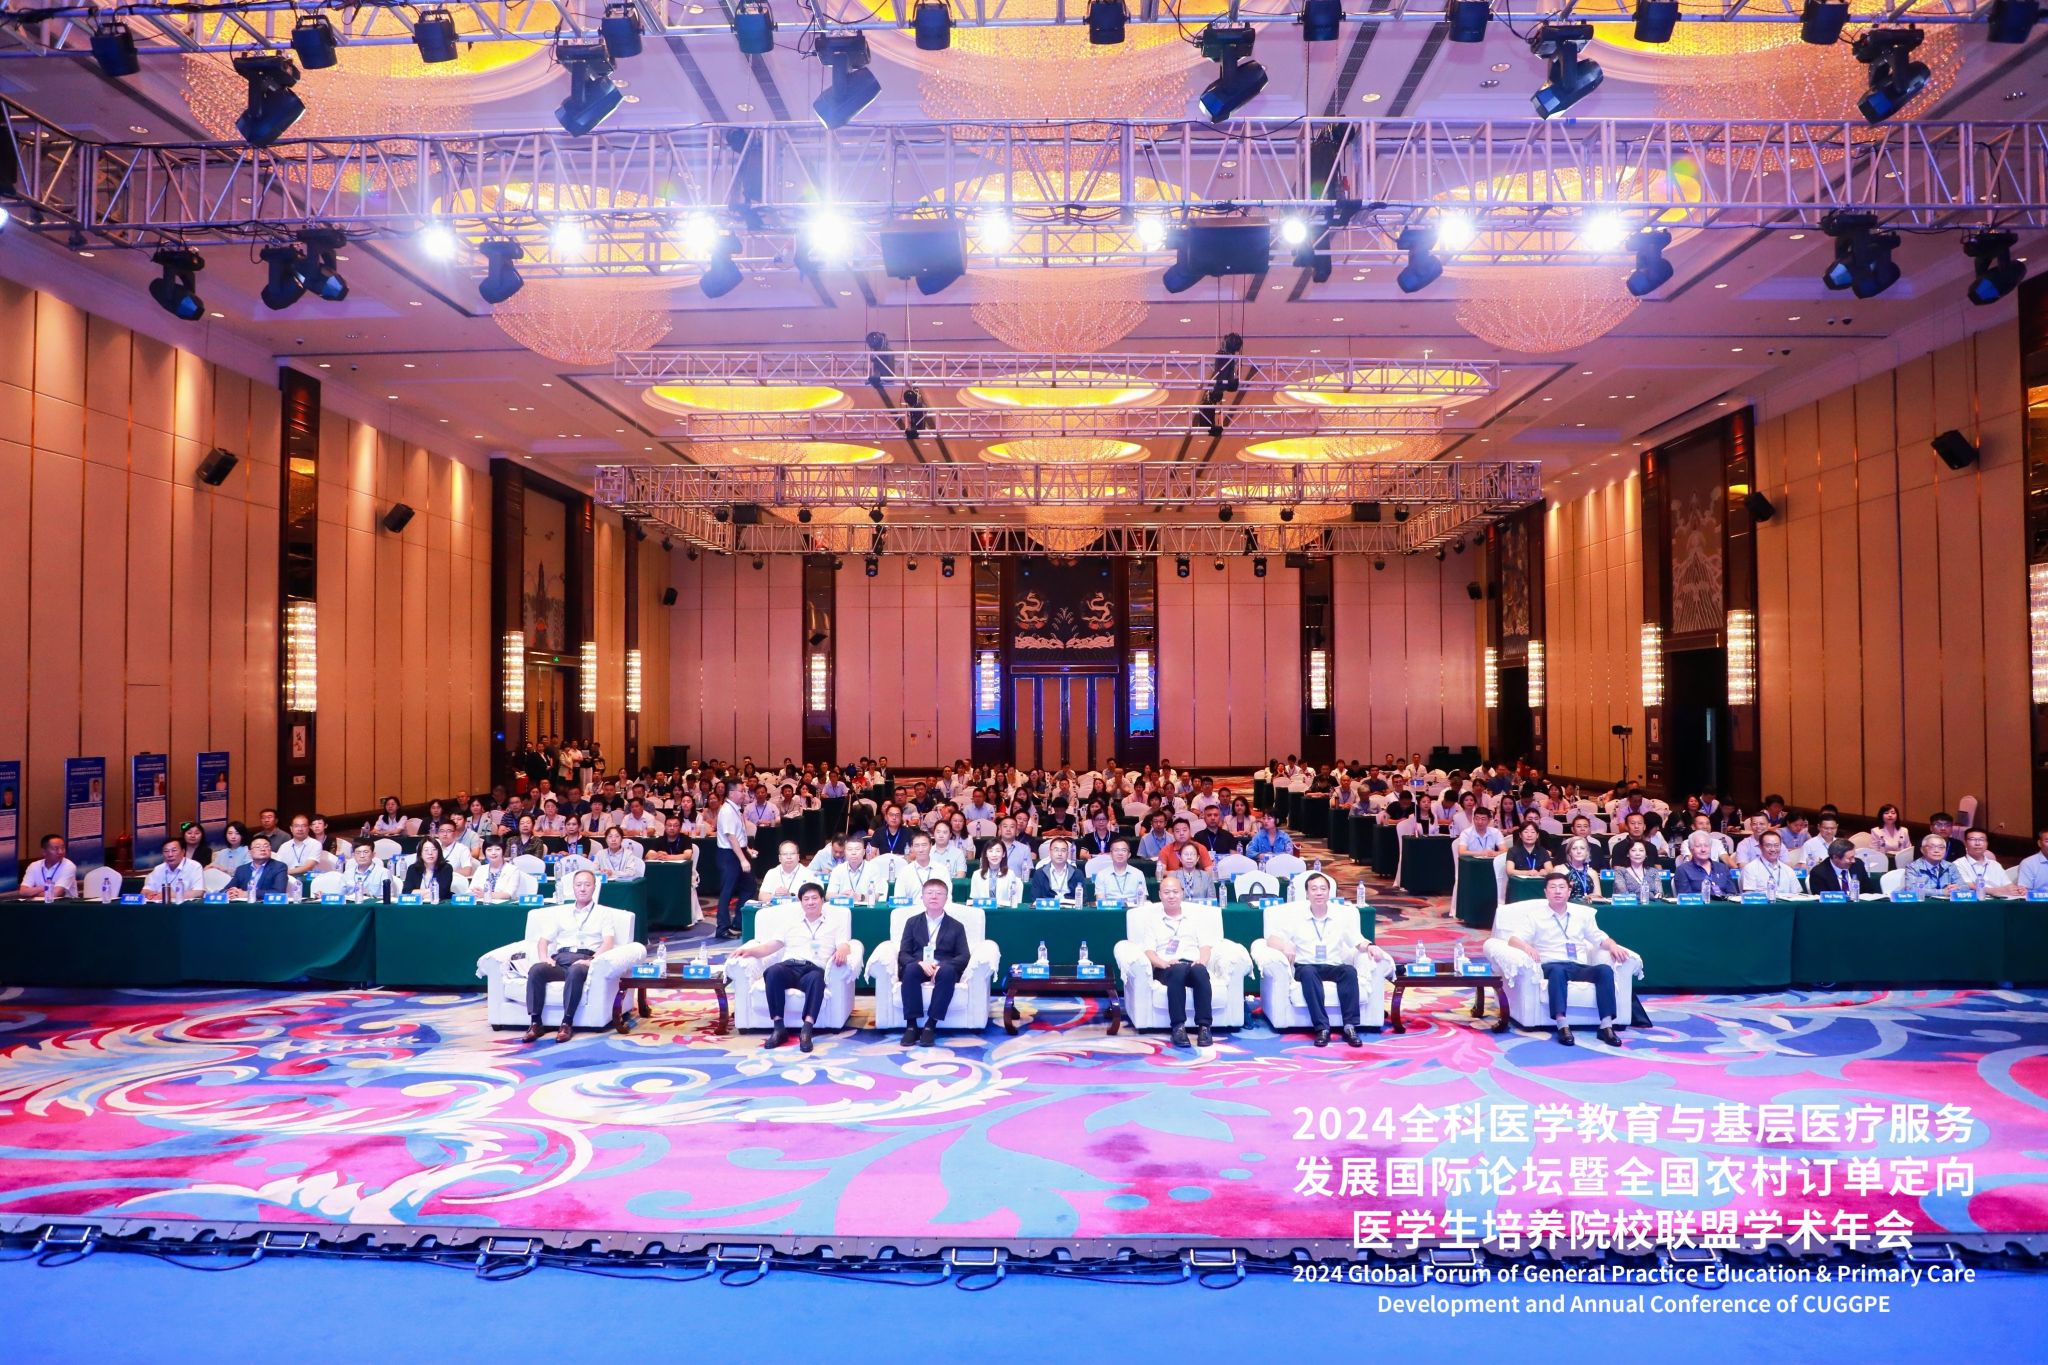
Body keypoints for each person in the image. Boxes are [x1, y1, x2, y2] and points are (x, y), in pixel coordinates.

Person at [1502, 871, 1632, 1047]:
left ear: (1569, 891)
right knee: (1558, 971)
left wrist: (1613, 945)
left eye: (1562, 887)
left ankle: (1606, 1026)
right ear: (1546, 892)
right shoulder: (1535, 916)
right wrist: (1527, 947)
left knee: (1604, 970)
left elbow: (1599, 938)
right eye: (1553, 887)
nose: (1557, 891)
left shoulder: (1582, 915)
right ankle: (1562, 1025)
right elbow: (1513, 939)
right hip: (1551, 965)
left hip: (1578, 965)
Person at [1271, 871, 1386, 1047]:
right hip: (1306, 966)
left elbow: (1358, 941)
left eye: (1323, 889)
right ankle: (1322, 1028)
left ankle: (1350, 1027)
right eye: (1314, 889)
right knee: (1308, 973)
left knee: (1349, 971)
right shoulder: (1295, 918)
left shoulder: (1341, 917)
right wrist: (1285, 946)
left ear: (1329, 892)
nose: (1319, 893)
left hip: (1333, 966)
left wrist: (1370, 946)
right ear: (1307, 894)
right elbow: (1271, 939)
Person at [732, 882, 849, 1052]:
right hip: (789, 966)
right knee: (773, 972)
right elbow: (771, 945)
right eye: (806, 899)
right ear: (801, 902)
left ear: (822, 900)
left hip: (813, 969)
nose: (810, 902)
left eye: (814, 898)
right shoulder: (791, 923)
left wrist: (843, 950)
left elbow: (844, 944)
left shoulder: (834, 924)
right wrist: (749, 951)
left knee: (817, 979)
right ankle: (779, 1028)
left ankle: (806, 1030)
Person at [520, 870, 614, 1044]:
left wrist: (591, 960)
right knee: (536, 970)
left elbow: (608, 942)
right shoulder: (561, 913)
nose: (583, 889)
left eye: (587, 885)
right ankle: (535, 1023)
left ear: (594, 887)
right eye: (579, 885)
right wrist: (544, 958)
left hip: (585, 959)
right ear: (573, 887)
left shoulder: (603, 913)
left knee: (576, 970)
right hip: (561, 959)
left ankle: (566, 1023)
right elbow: (543, 941)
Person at [1140, 873, 1214, 1049]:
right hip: (1166, 967)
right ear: (1160, 895)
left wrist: (1202, 961)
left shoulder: (1195, 919)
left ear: (1182, 893)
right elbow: (1148, 951)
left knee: (1200, 971)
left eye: (1175, 892)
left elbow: (1205, 946)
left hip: (1191, 963)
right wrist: (1162, 963)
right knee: (1178, 970)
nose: (1171, 896)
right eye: (1167, 892)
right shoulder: (1152, 921)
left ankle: (1204, 1027)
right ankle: (1178, 1027)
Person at [895, 877, 970, 1048]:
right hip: (919, 965)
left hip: (944, 968)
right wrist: (919, 963)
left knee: (948, 972)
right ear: (922, 897)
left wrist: (942, 966)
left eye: (939, 893)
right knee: (910, 969)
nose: (934, 897)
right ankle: (911, 1025)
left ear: (946, 898)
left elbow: (964, 956)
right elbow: (903, 953)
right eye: (929, 893)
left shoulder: (956, 926)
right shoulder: (912, 922)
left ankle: (930, 1025)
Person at [713, 780, 755, 940]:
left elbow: (739, 834)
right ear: (731, 793)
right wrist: (743, 859)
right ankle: (722, 928)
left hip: (738, 851)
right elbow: (731, 837)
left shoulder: (736, 809)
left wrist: (747, 849)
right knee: (727, 891)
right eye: (741, 791)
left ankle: (738, 922)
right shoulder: (727, 811)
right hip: (729, 855)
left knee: (749, 887)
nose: (744, 794)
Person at [1672, 831, 1739, 899]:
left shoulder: (1723, 868)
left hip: (1724, 905)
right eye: (1698, 846)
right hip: (1698, 905)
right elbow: (1686, 899)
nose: (1703, 849)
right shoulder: (1683, 870)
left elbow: (1732, 894)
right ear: (1691, 849)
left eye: (1706, 846)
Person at [1739, 830, 1803, 897]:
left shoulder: (1788, 870)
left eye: (1776, 845)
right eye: (1768, 846)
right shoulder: (1750, 868)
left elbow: (1797, 896)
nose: (1773, 849)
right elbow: (1749, 897)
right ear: (1760, 847)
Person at [1025, 836, 1085, 906]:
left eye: (1063, 850)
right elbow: (1035, 898)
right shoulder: (1040, 873)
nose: (1060, 854)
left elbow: (1083, 898)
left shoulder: (1077, 873)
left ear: (1067, 853)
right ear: (1049, 852)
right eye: (1056, 850)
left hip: (1071, 910)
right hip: (1047, 910)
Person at [228, 835, 291, 900]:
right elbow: (226, 889)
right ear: (250, 852)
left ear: (270, 850)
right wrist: (230, 892)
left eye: (266, 846)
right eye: (258, 847)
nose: (263, 849)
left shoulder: (279, 867)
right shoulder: (241, 869)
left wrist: (248, 894)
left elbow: (279, 892)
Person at [143, 837, 206, 902]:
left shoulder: (195, 866)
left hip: (186, 906)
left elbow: (198, 892)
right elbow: (145, 891)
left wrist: (167, 895)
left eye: (174, 850)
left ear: (183, 852)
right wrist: (149, 894)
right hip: (160, 905)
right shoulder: (158, 869)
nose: (170, 855)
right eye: (166, 851)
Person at [1806, 839, 1873, 897]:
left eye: (1853, 856)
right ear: (1835, 857)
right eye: (1849, 858)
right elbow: (1822, 899)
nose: (1853, 861)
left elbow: (1869, 891)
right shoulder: (1819, 873)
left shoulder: (1858, 864)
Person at [1092, 837, 1147, 908]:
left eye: (1124, 850)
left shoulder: (1138, 874)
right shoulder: (1101, 875)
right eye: (1116, 850)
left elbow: (1143, 900)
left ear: (1129, 855)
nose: (1120, 853)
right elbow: (1100, 901)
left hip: (1133, 910)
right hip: (1110, 911)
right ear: (1110, 854)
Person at [18, 834, 77, 899]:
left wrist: (33, 893)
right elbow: (23, 891)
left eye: (63, 848)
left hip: (65, 904)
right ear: (44, 852)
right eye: (56, 848)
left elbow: (55, 894)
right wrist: (45, 887)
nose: (60, 852)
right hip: (39, 904)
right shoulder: (34, 866)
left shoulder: (69, 866)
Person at [402, 836, 456, 902]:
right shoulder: (413, 869)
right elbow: (406, 893)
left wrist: (417, 893)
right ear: (420, 854)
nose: (430, 853)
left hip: (439, 905)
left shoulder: (446, 868)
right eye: (426, 850)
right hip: (417, 906)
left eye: (434, 849)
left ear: (439, 852)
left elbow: (441, 893)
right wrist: (431, 891)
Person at [969, 842, 1025, 907]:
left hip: (1003, 910)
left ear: (1003, 854)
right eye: (990, 851)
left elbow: (1013, 900)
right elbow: (974, 899)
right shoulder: (976, 874)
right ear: (986, 854)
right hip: (983, 911)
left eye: (998, 851)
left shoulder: (1010, 874)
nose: (994, 854)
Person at [2015, 829, 2048, 895]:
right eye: (2047, 841)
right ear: (2039, 843)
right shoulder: (2028, 863)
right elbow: (2024, 891)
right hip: (2038, 900)